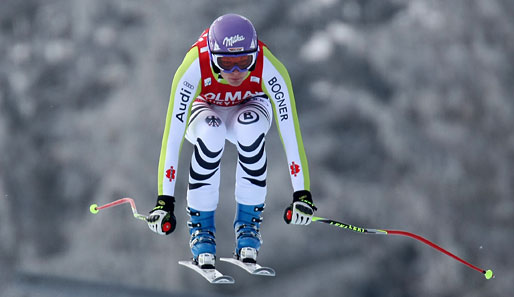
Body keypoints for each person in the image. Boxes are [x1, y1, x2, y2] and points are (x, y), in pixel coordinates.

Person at [146, 13, 316, 269]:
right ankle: (202, 230)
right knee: (211, 134)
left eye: (244, 61)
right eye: (226, 63)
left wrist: (302, 193)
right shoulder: (194, 66)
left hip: (250, 106)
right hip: (206, 108)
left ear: (255, 55)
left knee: (250, 131)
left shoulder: (269, 67)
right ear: (213, 56)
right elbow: (172, 137)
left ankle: (248, 227)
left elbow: (290, 132)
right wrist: (164, 201)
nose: (236, 72)